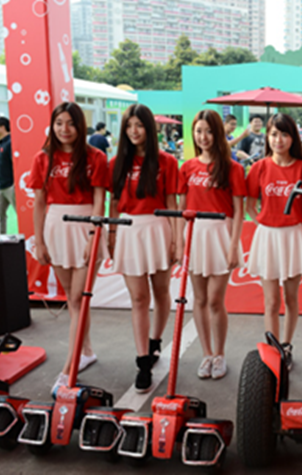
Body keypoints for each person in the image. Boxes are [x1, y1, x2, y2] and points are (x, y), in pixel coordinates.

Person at [26, 102, 109, 392]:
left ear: (80, 126)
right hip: (55, 226)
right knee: (73, 301)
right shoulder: (42, 158)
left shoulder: (95, 157)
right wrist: (39, 241)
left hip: (86, 225)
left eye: (71, 123)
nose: (65, 129)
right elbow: (39, 202)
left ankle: (69, 368)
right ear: (52, 126)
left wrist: (93, 234)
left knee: (78, 297)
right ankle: (86, 351)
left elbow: (99, 199)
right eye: (59, 123)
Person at [108, 104, 180, 392]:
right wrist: (111, 235)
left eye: (139, 125)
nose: (134, 131)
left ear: (150, 128)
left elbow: (173, 202)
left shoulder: (167, 162)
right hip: (128, 229)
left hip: (159, 228)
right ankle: (142, 362)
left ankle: (155, 340)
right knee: (138, 297)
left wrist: (177, 239)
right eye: (129, 126)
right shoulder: (116, 163)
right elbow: (113, 202)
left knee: (161, 292)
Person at [178, 110, 245, 380]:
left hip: (221, 234)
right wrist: (179, 241)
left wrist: (233, 246)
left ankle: (220, 354)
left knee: (216, 299)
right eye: (198, 131)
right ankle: (206, 354)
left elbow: (239, 211)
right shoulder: (187, 167)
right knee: (200, 298)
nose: (203, 137)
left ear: (218, 133)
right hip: (195, 234)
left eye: (208, 131)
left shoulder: (233, 168)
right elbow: (181, 208)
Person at [246, 113, 302, 371]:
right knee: (271, 301)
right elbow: (250, 205)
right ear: (267, 137)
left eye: (284, 134)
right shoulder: (259, 167)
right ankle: (272, 349)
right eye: (274, 134)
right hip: (268, 237)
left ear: (293, 138)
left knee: (291, 298)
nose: (279, 140)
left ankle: (287, 346)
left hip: (293, 236)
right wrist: (263, 222)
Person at [0, 116, 15, 234]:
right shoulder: (0, 143)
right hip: (0, 187)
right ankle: (0, 239)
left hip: (11, 186)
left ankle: (31, 238)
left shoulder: (11, 143)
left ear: (2, 127)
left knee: (22, 213)